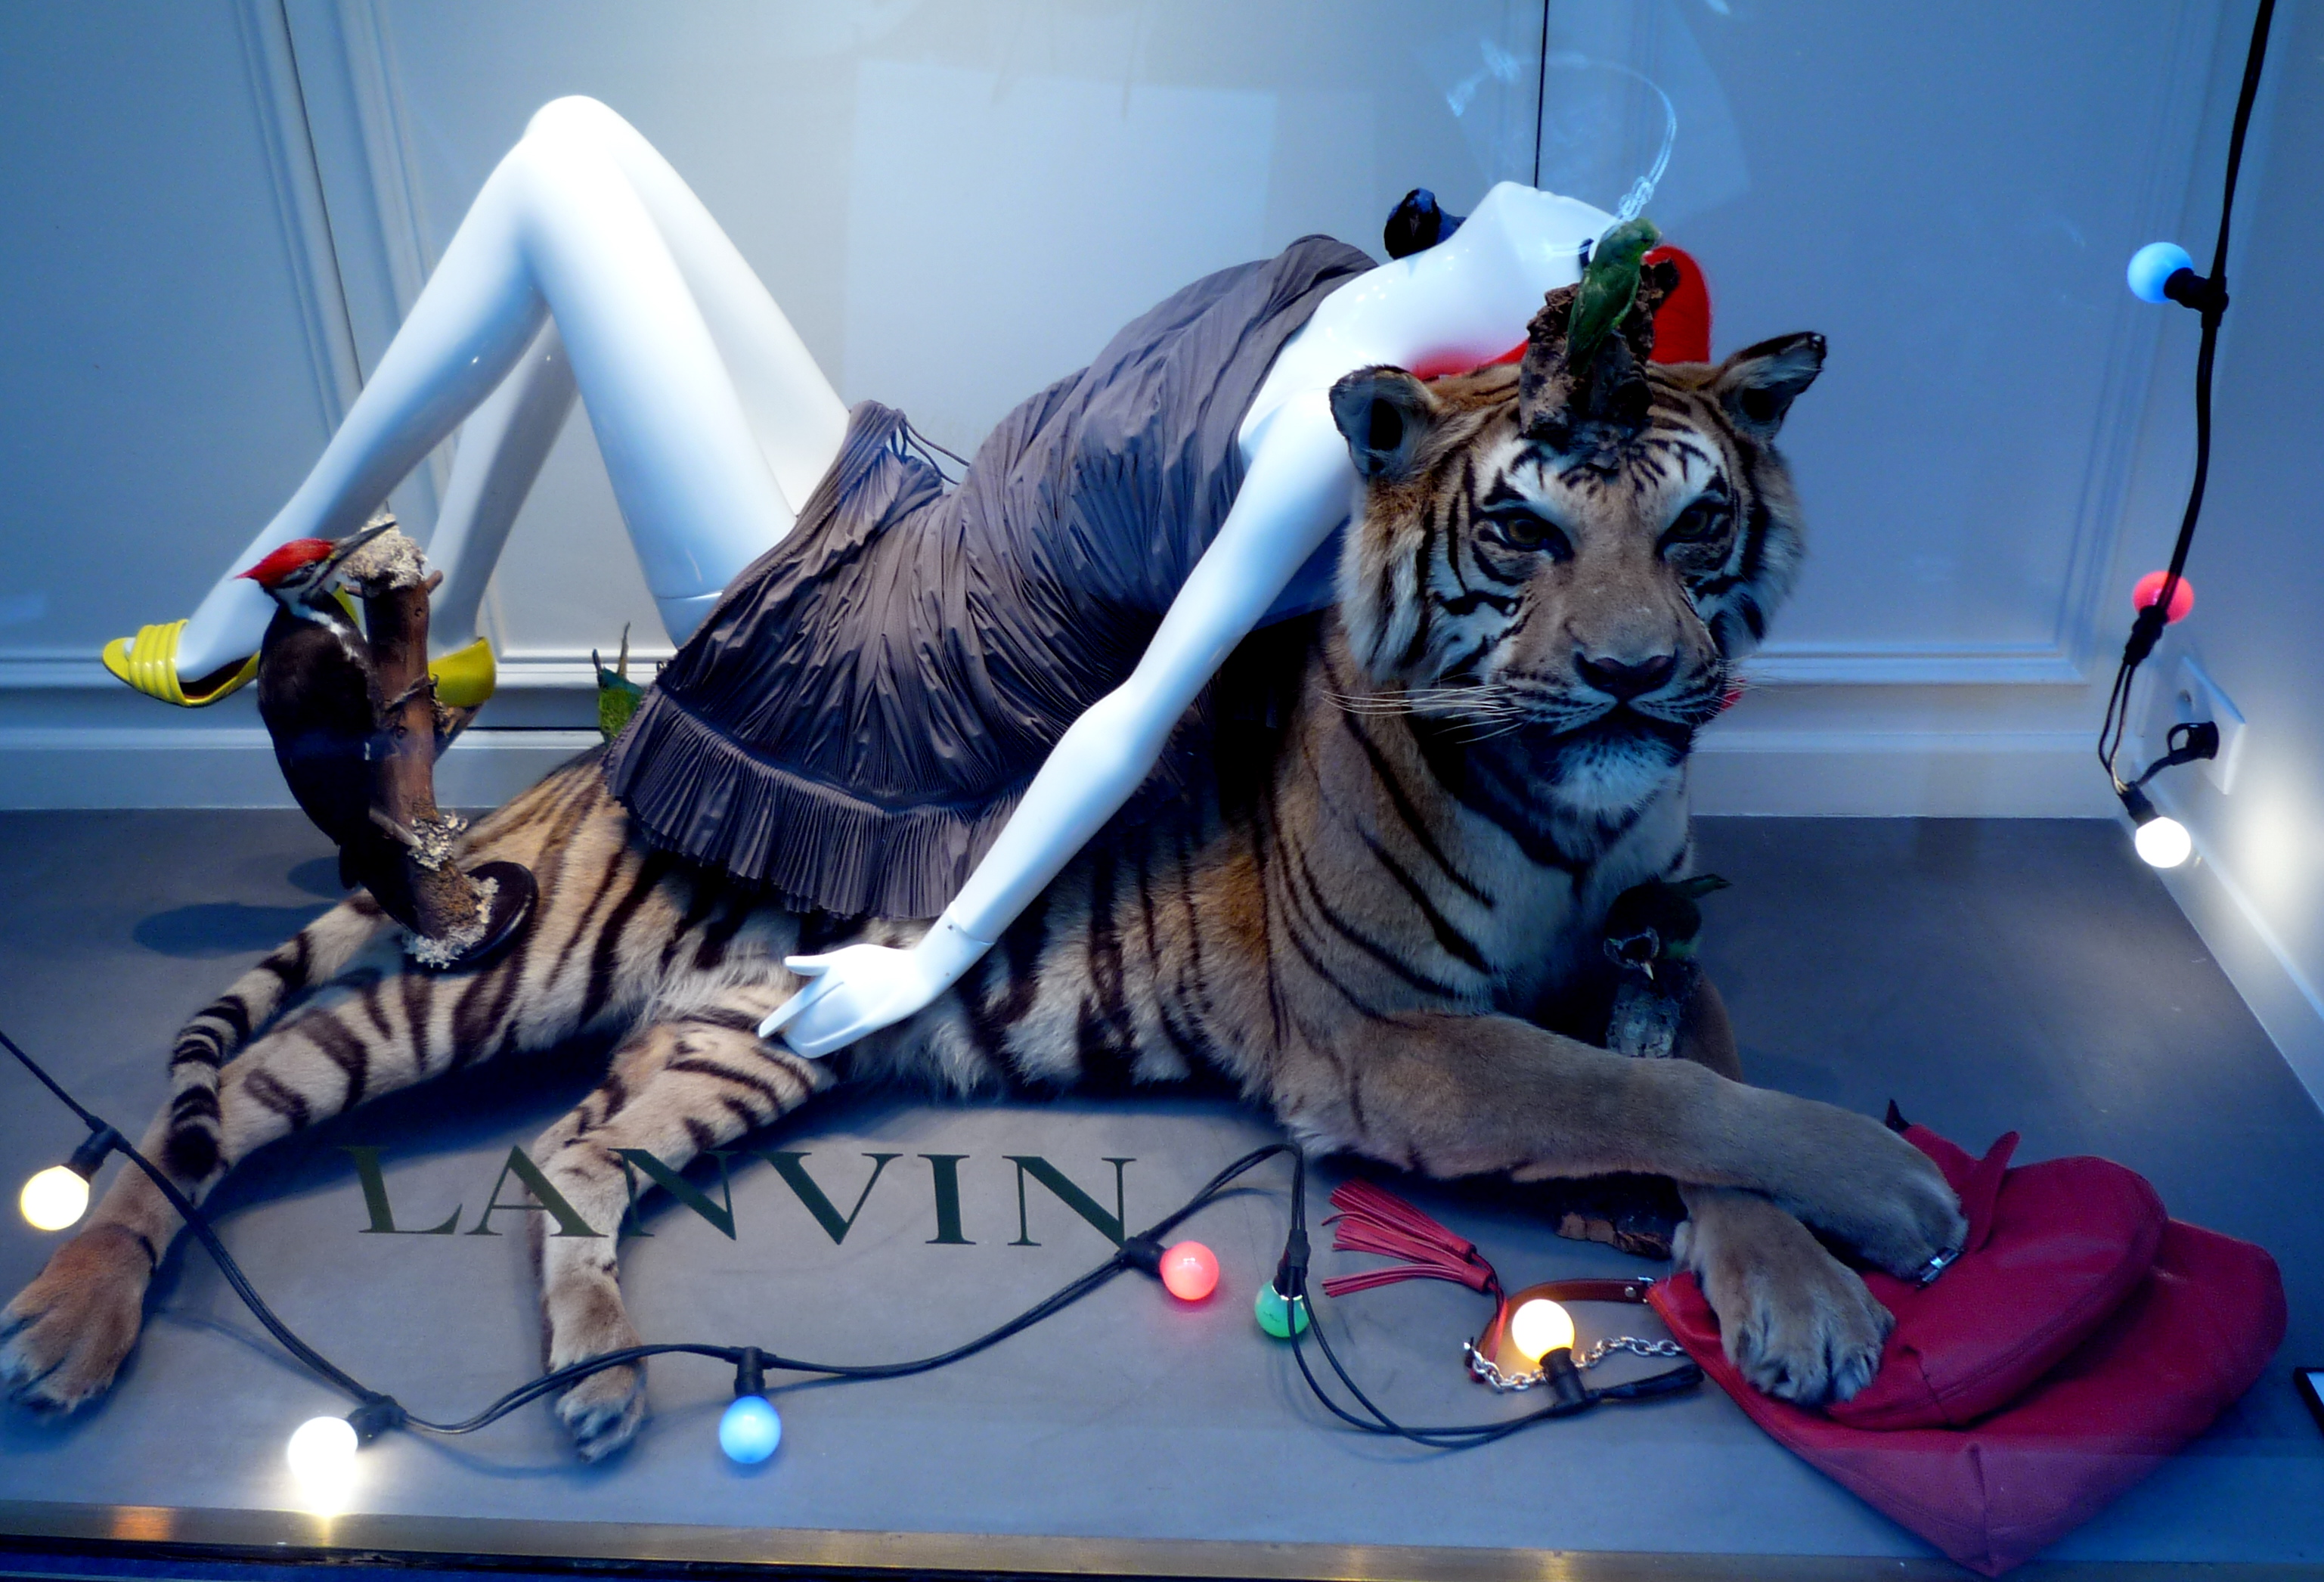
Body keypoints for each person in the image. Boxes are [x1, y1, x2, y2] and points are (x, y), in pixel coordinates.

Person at [105, 96, 1619, 1057]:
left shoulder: (1321, 438)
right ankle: (452, 619)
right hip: (909, 529)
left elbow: (1139, 713)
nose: (1599, 217)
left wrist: (933, 960)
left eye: (1609, 252)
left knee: (562, 185)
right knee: (586, 150)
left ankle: (248, 595)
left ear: (1547, 330)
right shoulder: (1380, 299)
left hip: (878, 671)